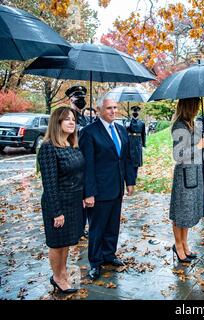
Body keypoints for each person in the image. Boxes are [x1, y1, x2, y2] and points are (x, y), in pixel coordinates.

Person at [79, 95, 136, 280]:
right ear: (99, 111)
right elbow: (86, 165)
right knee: (97, 228)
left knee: (113, 225)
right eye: (109, 108)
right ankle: (95, 262)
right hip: (98, 191)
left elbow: (126, 158)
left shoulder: (120, 129)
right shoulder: (89, 132)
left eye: (115, 107)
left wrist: (130, 181)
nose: (113, 111)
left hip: (117, 187)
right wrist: (89, 193)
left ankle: (109, 255)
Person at [37, 107, 84, 294]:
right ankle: (57, 277)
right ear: (57, 123)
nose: (72, 122)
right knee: (57, 243)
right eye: (67, 119)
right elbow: (49, 184)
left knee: (66, 242)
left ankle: (63, 272)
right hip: (57, 203)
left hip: (73, 201)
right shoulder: (49, 148)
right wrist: (56, 212)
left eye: (73, 119)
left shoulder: (71, 145)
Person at [170, 98, 204, 263]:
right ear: (190, 107)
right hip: (184, 175)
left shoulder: (193, 124)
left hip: (195, 173)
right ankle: (178, 246)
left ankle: (185, 244)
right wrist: (199, 146)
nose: (198, 109)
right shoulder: (179, 126)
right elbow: (178, 155)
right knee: (180, 213)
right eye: (196, 106)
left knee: (188, 212)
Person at [124, 106, 146, 178]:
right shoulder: (128, 121)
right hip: (130, 141)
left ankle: (135, 174)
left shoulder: (142, 123)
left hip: (138, 141)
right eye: (134, 111)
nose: (135, 113)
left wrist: (143, 144)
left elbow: (143, 134)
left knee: (137, 158)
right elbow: (125, 132)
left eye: (136, 111)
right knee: (129, 157)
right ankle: (129, 174)